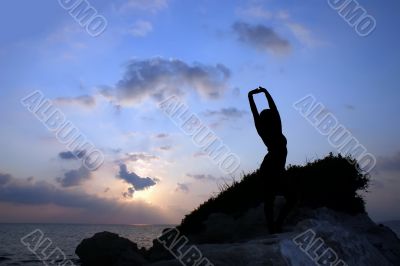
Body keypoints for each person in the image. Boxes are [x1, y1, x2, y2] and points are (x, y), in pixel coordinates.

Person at [248, 87, 294, 233]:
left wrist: (251, 96)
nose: (273, 116)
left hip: (273, 166)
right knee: (275, 199)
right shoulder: (273, 129)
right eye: (271, 115)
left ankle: (275, 226)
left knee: (275, 199)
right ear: (271, 119)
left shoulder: (265, 129)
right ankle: (274, 226)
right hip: (272, 167)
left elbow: (258, 112)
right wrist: (265, 93)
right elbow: (270, 110)